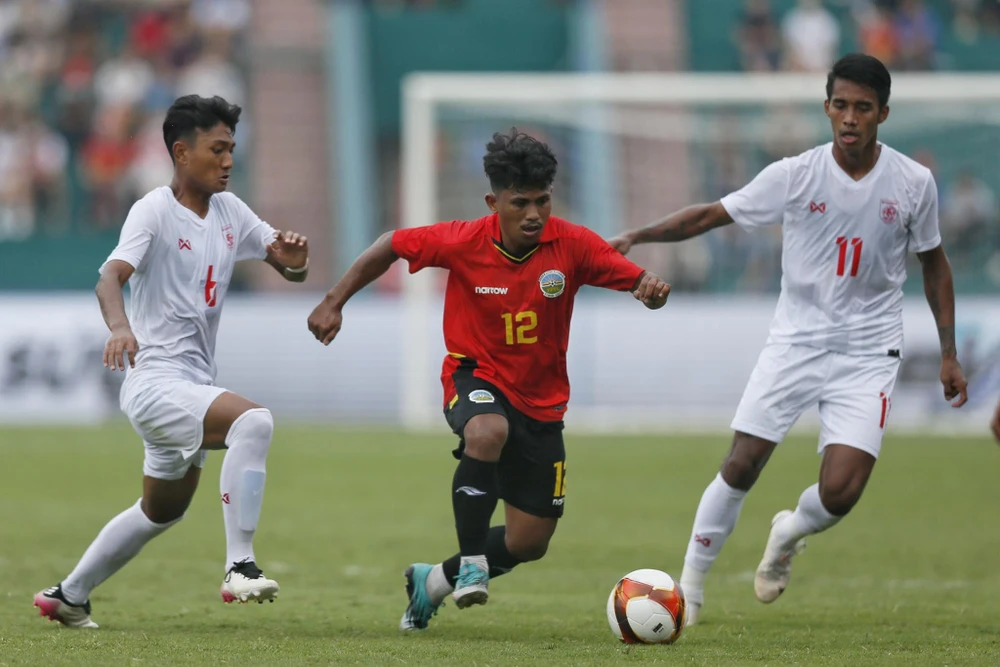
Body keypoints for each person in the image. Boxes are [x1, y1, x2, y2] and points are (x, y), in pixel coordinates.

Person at [608, 54, 968, 626]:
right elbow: (710, 215)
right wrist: (639, 235)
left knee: (842, 493)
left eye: (863, 108)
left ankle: (789, 531)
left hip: (870, 353)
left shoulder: (913, 182)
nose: (850, 118)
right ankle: (689, 593)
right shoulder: (795, 175)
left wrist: (948, 353)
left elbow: (935, 263)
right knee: (742, 463)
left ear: (884, 114)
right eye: (841, 105)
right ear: (827, 108)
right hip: (796, 344)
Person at [307, 128, 671, 631]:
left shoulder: (573, 245)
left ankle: (431, 581)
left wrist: (649, 289)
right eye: (520, 203)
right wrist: (333, 300)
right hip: (472, 374)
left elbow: (636, 280)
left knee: (530, 542)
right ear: (493, 201)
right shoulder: (462, 240)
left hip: (542, 406)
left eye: (543, 201)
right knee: (486, 431)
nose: (534, 214)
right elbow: (389, 244)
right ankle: (472, 561)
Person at [34, 95, 310, 629]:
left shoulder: (231, 211)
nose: (229, 160)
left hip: (190, 385)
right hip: (155, 382)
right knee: (253, 422)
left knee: (162, 510)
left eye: (232, 148)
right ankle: (240, 565)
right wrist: (120, 327)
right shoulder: (154, 209)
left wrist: (294, 265)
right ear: (182, 153)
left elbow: (284, 261)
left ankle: (69, 595)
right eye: (218, 148)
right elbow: (109, 276)